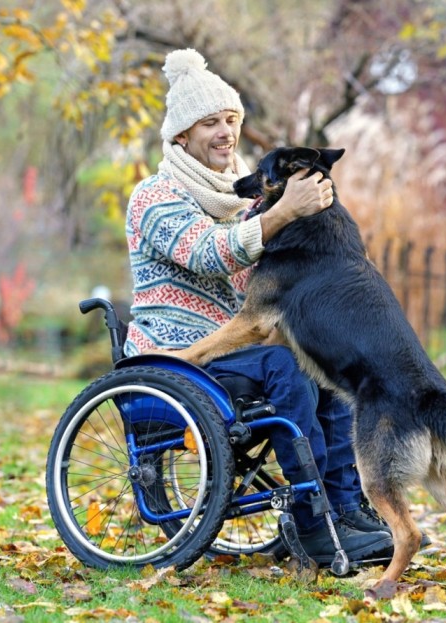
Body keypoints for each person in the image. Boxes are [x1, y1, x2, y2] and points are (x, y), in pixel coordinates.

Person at [122, 48, 392, 565]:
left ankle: (346, 506)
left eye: (231, 120)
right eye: (210, 123)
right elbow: (208, 254)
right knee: (287, 365)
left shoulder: (245, 200)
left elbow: (267, 280)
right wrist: (282, 214)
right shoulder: (153, 196)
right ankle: (314, 524)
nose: (226, 132)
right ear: (181, 135)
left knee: (324, 366)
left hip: (232, 357)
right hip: (173, 360)